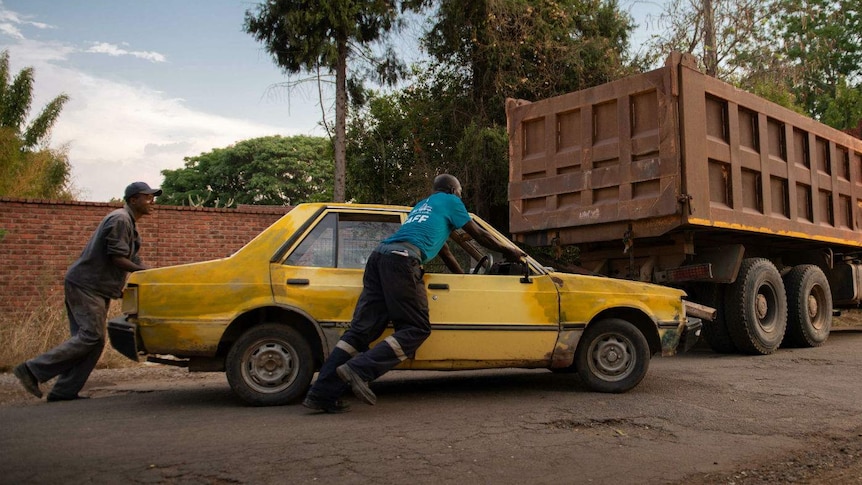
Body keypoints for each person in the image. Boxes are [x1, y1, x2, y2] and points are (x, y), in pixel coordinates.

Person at [302, 174, 526, 413]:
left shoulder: (422, 207)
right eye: (460, 192)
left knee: (361, 331)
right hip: (402, 261)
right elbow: (479, 234)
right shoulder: (450, 202)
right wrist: (510, 250)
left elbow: (446, 252)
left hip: (379, 258)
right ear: (452, 190)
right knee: (416, 328)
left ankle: (321, 393)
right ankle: (359, 370)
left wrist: (463, 276)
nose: (460, 196)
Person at [13, 181, 162, 402]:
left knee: (93, 341)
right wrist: (148, 273)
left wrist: (143, 275)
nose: (152, 201)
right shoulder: (120, 219)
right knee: (91, 336)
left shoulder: (128, 223)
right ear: (133, 200)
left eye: (153, 197)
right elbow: (118, 258)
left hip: (94, 286)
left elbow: (130, 259)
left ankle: (64, 391)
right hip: (86, 285)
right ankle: (31, 370)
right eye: (147, 197)